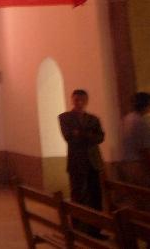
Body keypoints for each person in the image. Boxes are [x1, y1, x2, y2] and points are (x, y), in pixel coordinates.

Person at [59, 89, 106, 239]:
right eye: (76, 99)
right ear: (72, 100)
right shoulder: (65, 117)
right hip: (76, 161)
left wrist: (81, 133)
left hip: (93, 161)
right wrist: (89, 135)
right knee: (77, 195)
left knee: (95, 196)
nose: (79, 103)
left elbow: (100, 137)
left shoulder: (93, 118)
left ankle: (95, 230)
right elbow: (69, 137)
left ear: (86, 101)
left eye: (82, 100)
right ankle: (77, 229)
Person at [121, 92, 150, 187]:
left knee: (135, 195)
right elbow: (144, 149)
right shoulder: (140, 122)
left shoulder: (127, 118)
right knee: (143, 195)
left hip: (126, 163)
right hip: (138, 164)